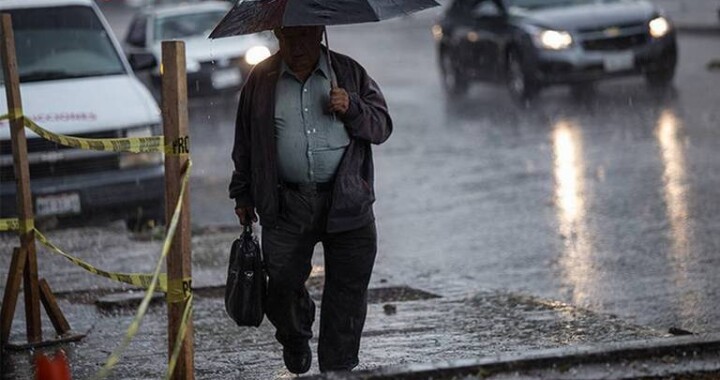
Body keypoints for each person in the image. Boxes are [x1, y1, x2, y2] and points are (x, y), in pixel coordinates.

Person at [229, 26, 393, 374]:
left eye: (304, 37)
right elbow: (245, 141)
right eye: (288, 38)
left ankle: (338, 366)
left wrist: (351, 107)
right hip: (286, 203)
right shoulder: (262, 79)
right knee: (282, 285)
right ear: (276, 35)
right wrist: (242, 193)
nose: (296, 47)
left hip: (348, 202)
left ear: (318, 32)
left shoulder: (348, 72)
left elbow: (382, 127)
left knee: (347, 293)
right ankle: (295, 334)